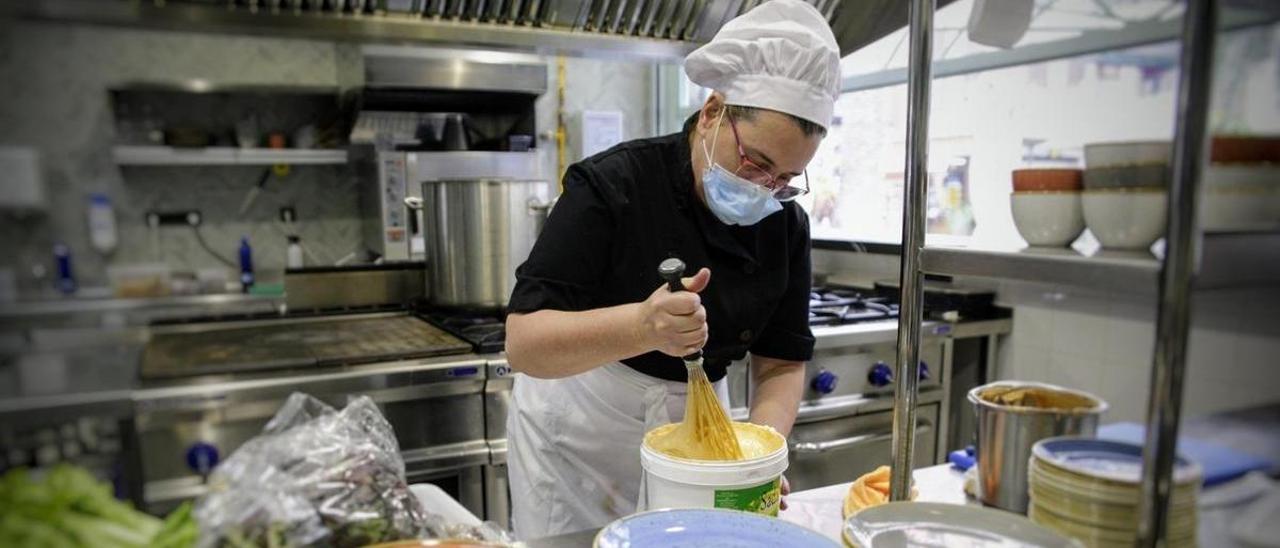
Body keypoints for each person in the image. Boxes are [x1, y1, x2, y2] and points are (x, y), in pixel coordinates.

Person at [502, 0, 841, 538]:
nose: (765, 189)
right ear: (713, 112)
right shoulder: (613, 185)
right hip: (582, 436)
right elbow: (525, 344)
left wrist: (760, 457)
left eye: (786, 178)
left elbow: (780, 361)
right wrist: (641, 327)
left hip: (701, 429)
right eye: (755, 163)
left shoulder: (786, 224)